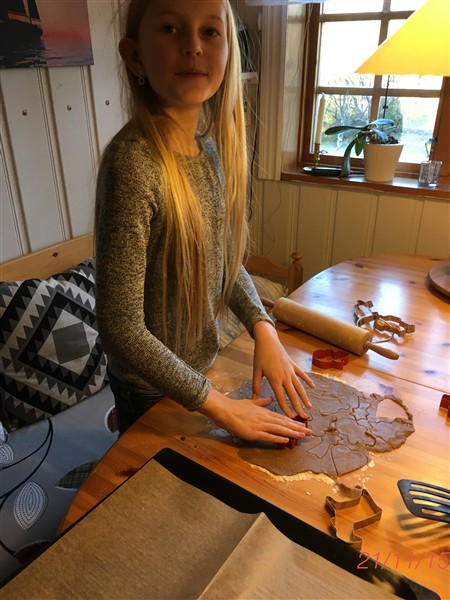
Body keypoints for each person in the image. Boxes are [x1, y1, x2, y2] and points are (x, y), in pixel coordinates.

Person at [95, 0, 314, 443]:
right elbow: (121, 329)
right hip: (150, 392)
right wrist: (223, 409)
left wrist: (263, 328)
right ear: (135, 55)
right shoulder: (133, 163)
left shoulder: (208, 151)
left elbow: (224, 260)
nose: (193, 46)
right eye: (170, 29)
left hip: (200, 374)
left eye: (210, 32)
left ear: (228, 51)